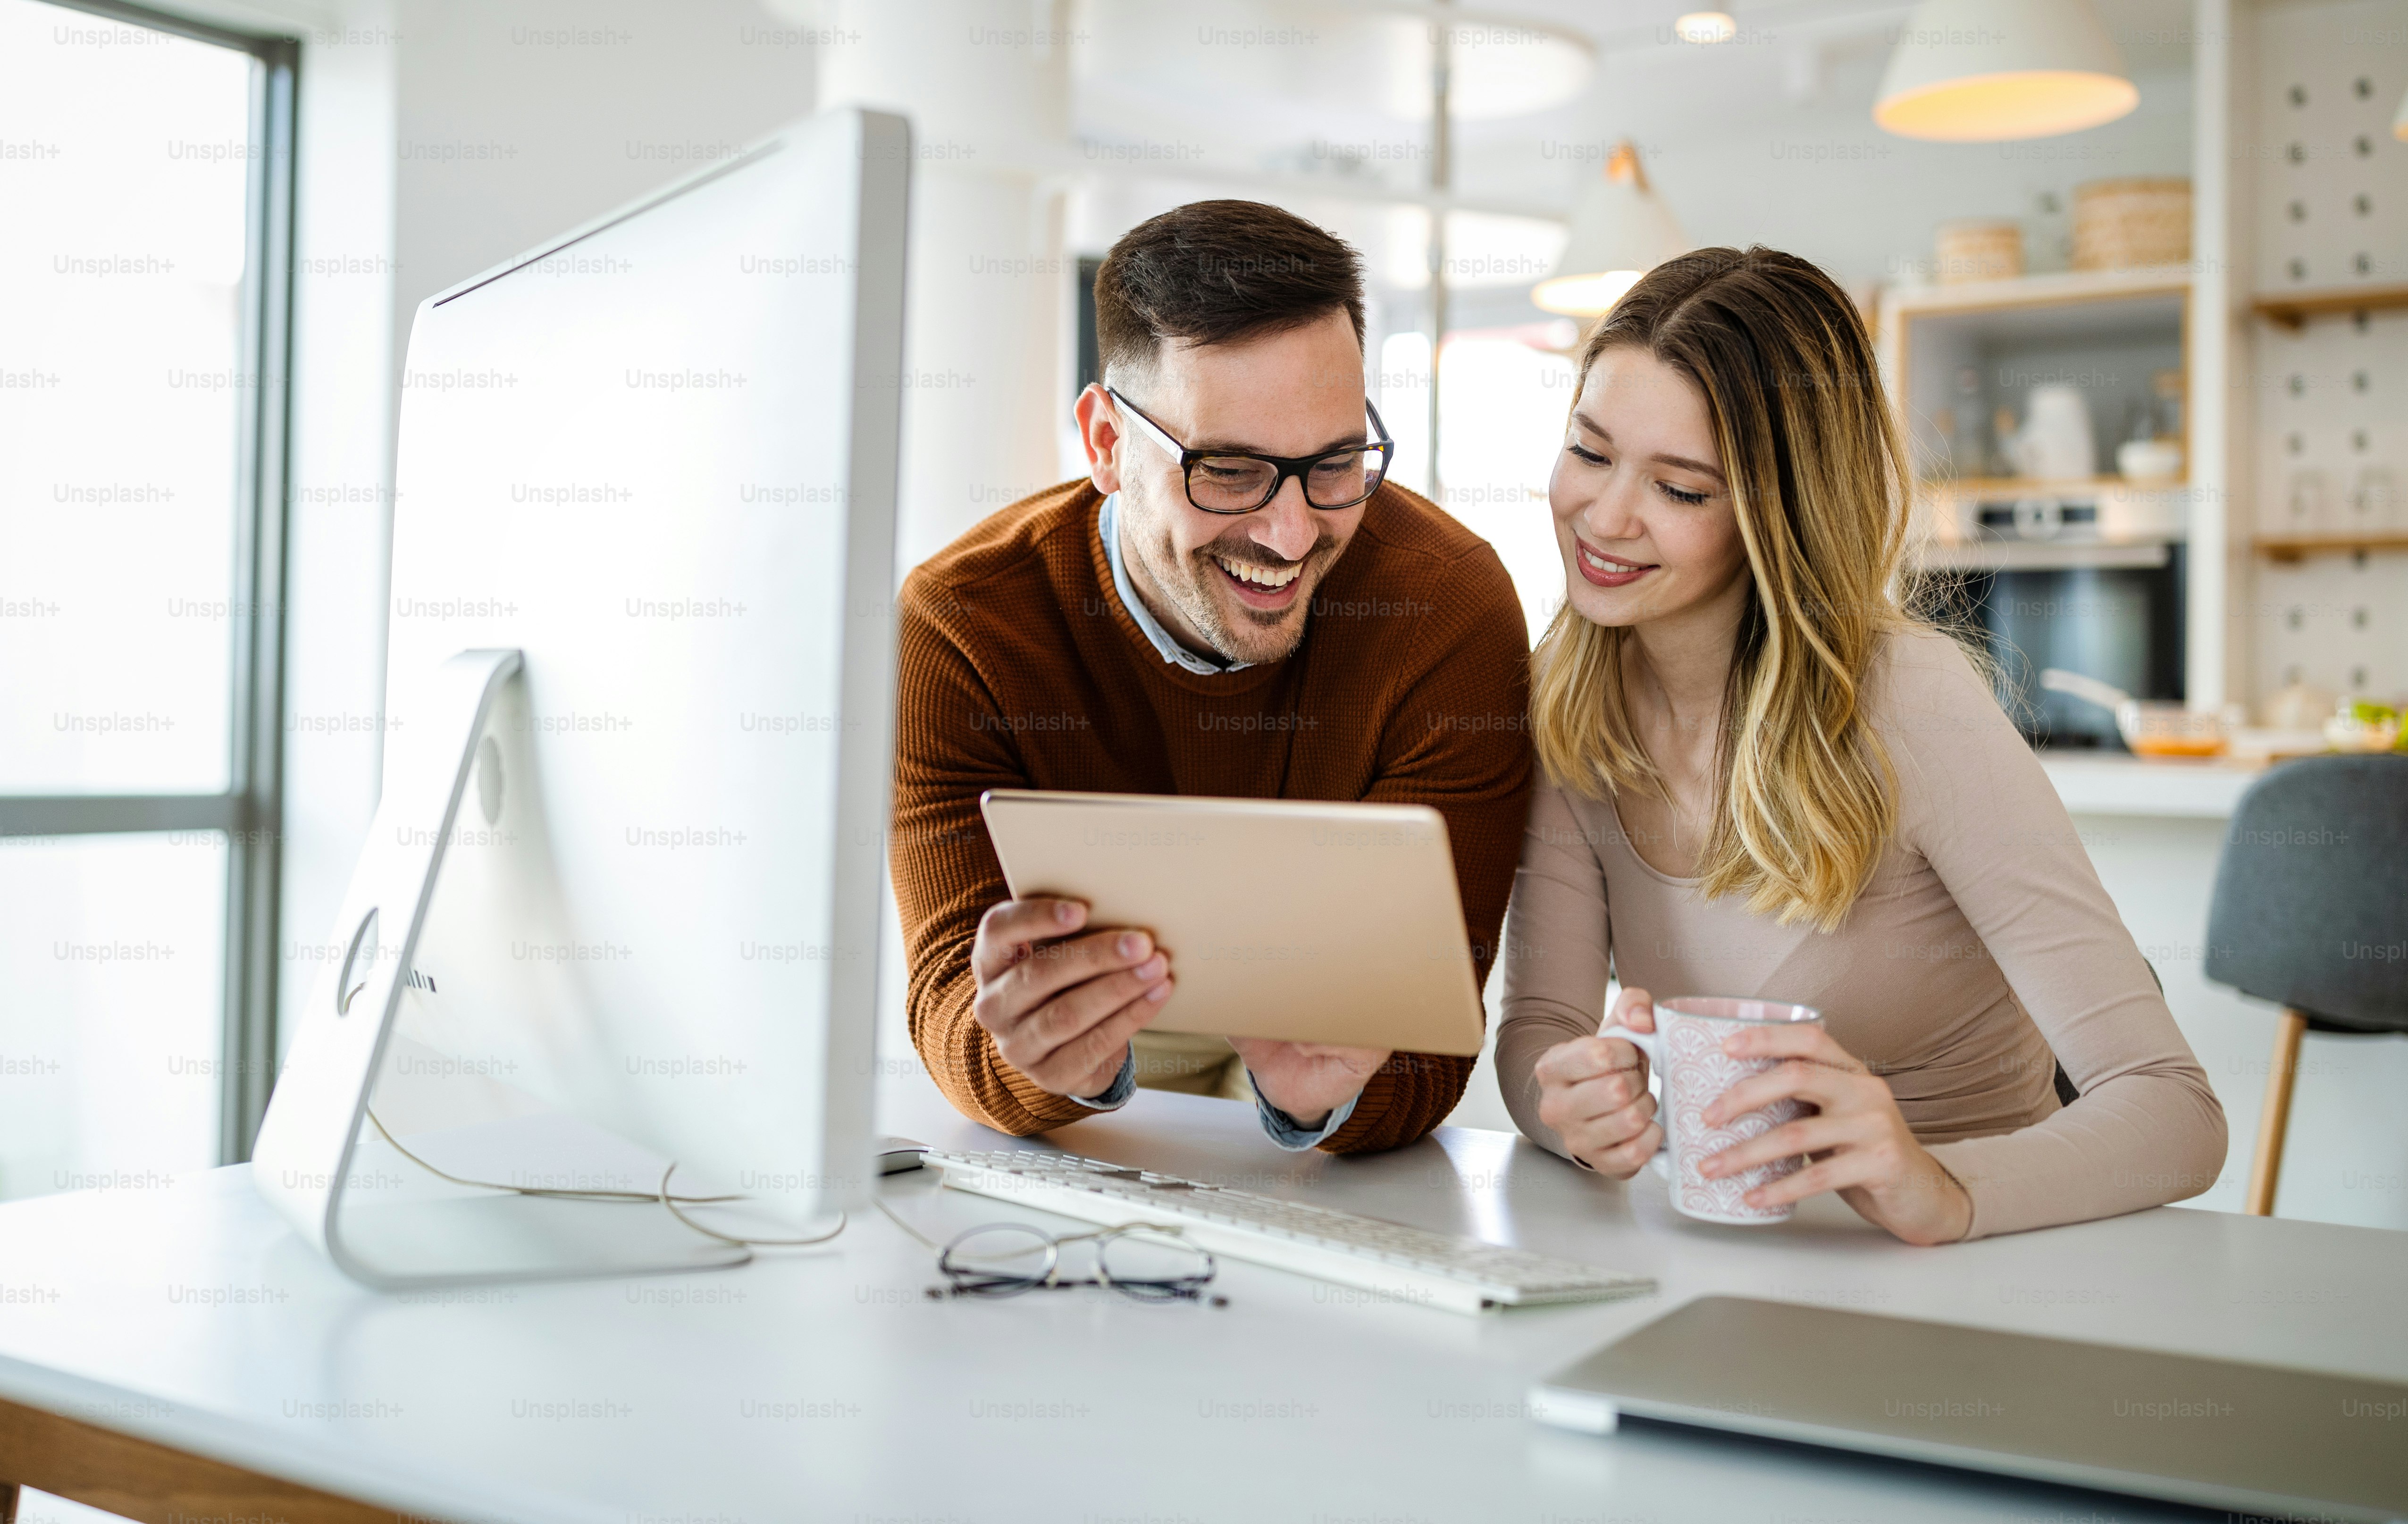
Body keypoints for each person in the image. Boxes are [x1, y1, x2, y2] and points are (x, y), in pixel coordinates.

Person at [1498, 246, 2226, 1243]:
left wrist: (1938, 1186)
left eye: (1679, 489)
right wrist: (1575, 1110)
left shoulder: (1911, 705)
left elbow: (2173, 1111)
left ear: (1778, 516)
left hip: (1984, 1274)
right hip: (1737, 1261)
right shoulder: (1566, 701)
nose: (1606, 516)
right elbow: (1539, 1030)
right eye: (1589, 452)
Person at [891, 200, 1531, 1154]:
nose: (1290, 533)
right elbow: (952, 998)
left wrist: (1327, 1094)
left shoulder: (1448, 610)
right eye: (1227, 471)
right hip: (1091, 1112)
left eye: (1335, 462)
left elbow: (1429, 1048)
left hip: (1309, 1066)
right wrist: (1028, 1056)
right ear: (1106, 443)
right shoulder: (964, 625)